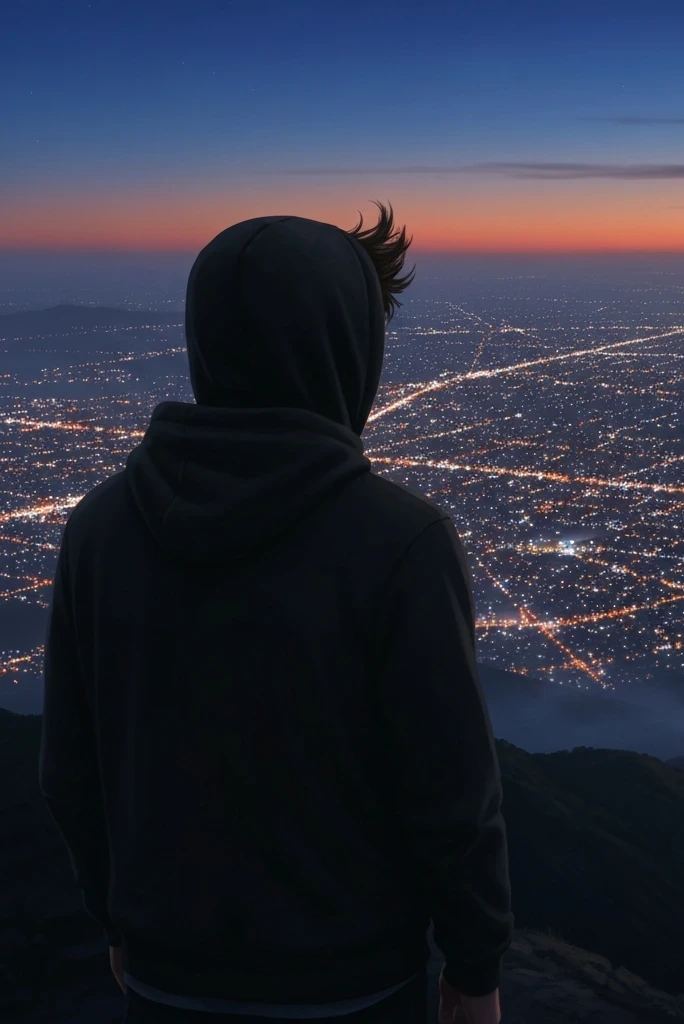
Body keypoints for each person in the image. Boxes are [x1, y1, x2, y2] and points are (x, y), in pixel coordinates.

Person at [39, 206, 512, 1023]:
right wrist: (474, 970)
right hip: (353, 990)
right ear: (345, 349)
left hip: (163, 983)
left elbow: (70, 771)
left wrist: (118, 921)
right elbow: (452, 796)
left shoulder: (98, 529)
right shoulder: (400, 542)